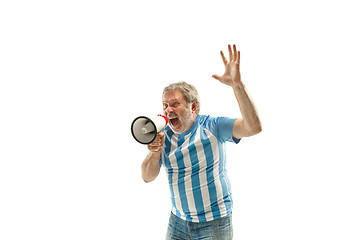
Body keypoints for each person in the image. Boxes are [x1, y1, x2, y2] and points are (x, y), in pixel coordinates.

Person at [141, 44, 262, 240]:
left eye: (175, 104)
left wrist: (237, 86)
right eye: (165, 105)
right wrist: (155, 151)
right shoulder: (163, 134)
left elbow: (253, 127)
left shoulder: (212, 126)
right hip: (178, 221)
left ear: (193, 106)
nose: (168, 110)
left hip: (214, 223)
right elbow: (146, 177)